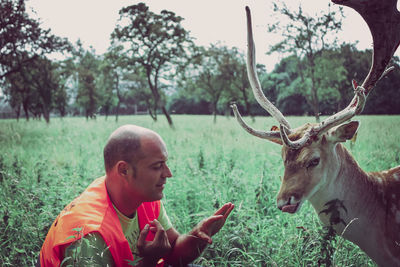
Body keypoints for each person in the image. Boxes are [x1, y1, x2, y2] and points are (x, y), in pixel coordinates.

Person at [39, 124, 234, 267]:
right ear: (123, 170)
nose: (168, 173)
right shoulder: (89, 236)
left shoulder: (142, 197)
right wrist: (149, 260)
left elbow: (174, 253)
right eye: (157, 166)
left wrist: (197, 236)